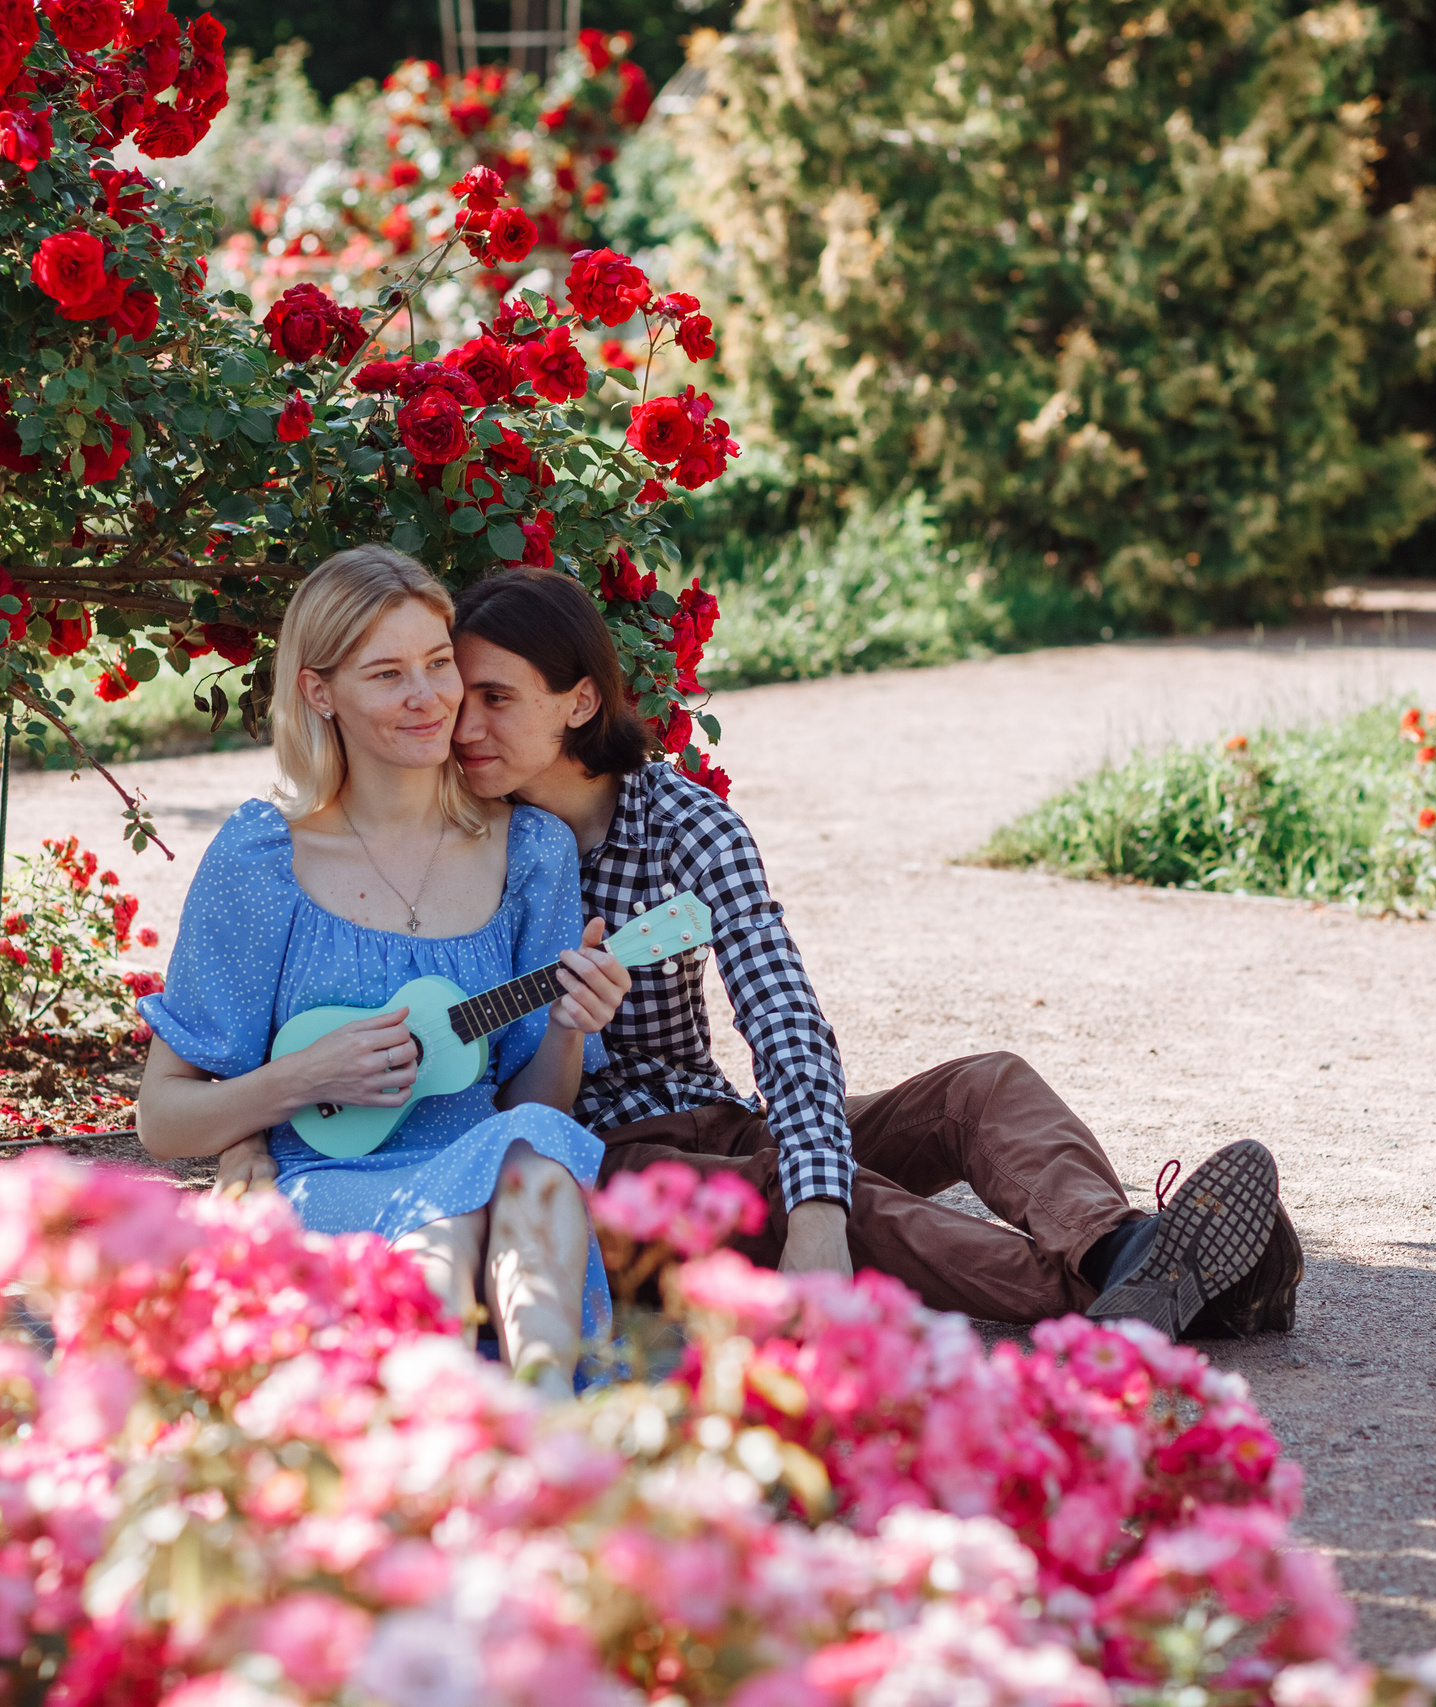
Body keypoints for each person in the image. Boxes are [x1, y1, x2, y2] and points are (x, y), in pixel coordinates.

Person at [413, 565, 1299, 1338]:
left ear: (578, 701)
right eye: (463, 699)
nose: (465, 728)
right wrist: (817, 1205)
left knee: (977, 1090)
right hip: (601, 1161)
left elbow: (781, 1012)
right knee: (825, 1196)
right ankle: (1161, 1291)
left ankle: (1119, 1249)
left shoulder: (684, 824)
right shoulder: (458, 836)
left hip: (716, 1114)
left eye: (497, 699)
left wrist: (816, 1214)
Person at [133, 547, 633, 1397]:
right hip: (329, 1184)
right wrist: (301, 1079)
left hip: (490, 1161)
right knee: (438, 1245)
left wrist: (567, 1025)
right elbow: (163, 1119)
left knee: (542, 1161)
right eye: (387, 674)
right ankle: (442, 1438)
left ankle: (552, 1427)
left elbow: (534, 1106)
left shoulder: (531, 852)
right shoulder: (264, 861)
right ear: (319, 691)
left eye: (439, 663)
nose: (428, 697)